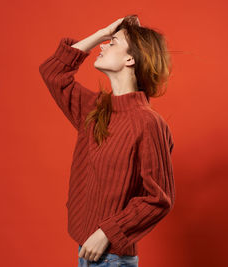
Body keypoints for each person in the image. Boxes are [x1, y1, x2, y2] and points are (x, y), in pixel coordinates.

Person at [39, 14, 175, 267]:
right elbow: (53, 72)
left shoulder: (148, 123)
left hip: (111, 257)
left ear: (130, 58)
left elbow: (159, 198)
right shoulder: (95, 110)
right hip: (86, 251)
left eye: (112, 43)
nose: (103, 46)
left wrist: (107, 233)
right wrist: (103, 32)